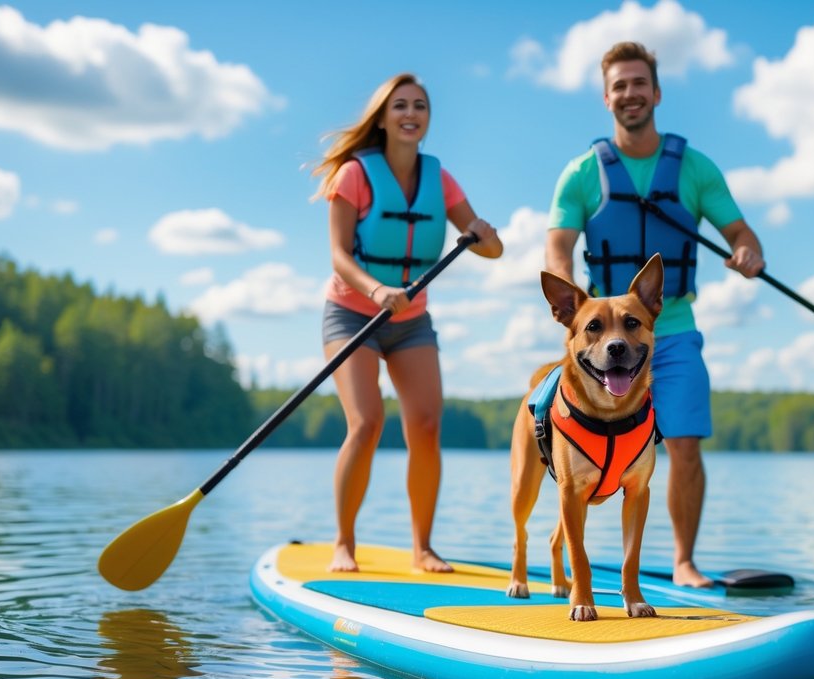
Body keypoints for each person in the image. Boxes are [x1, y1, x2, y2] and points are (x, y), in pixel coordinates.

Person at [545, 42, 764, 588]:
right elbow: (557, 248)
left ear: (657, 92)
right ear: (606, 97)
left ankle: (684, 561)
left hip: (674, 332)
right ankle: (573, 564)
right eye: (619, 85)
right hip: (599, 339)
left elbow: (739, 233)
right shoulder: (580, 173)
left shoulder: (694, 168)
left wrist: (746, 252)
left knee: (684, 443)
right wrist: (573, 310)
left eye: (639, 83)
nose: (630, 94)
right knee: (576, 454)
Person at [312, 73, 503, 574]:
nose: (410, 113)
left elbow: (492, 250)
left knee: (425, 425)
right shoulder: (354, 174)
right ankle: (343, 543)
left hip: (411, 321)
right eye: (400, 106)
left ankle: (422, 548)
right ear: (382, 117)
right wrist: (375, 290)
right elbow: (337, 254)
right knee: (367, 422)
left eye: (420, 105)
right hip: (353, 314)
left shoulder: (440, 179)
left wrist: (483, 234)